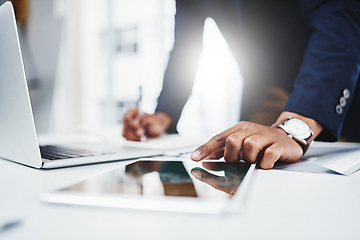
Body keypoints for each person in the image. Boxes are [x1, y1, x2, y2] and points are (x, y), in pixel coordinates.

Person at [123, 0, 360, 169]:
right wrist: (164, 115)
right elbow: (185, 48)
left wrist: (301, 122)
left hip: (338, 84)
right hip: (265, 86)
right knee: (251, 171)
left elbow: (340, 14)